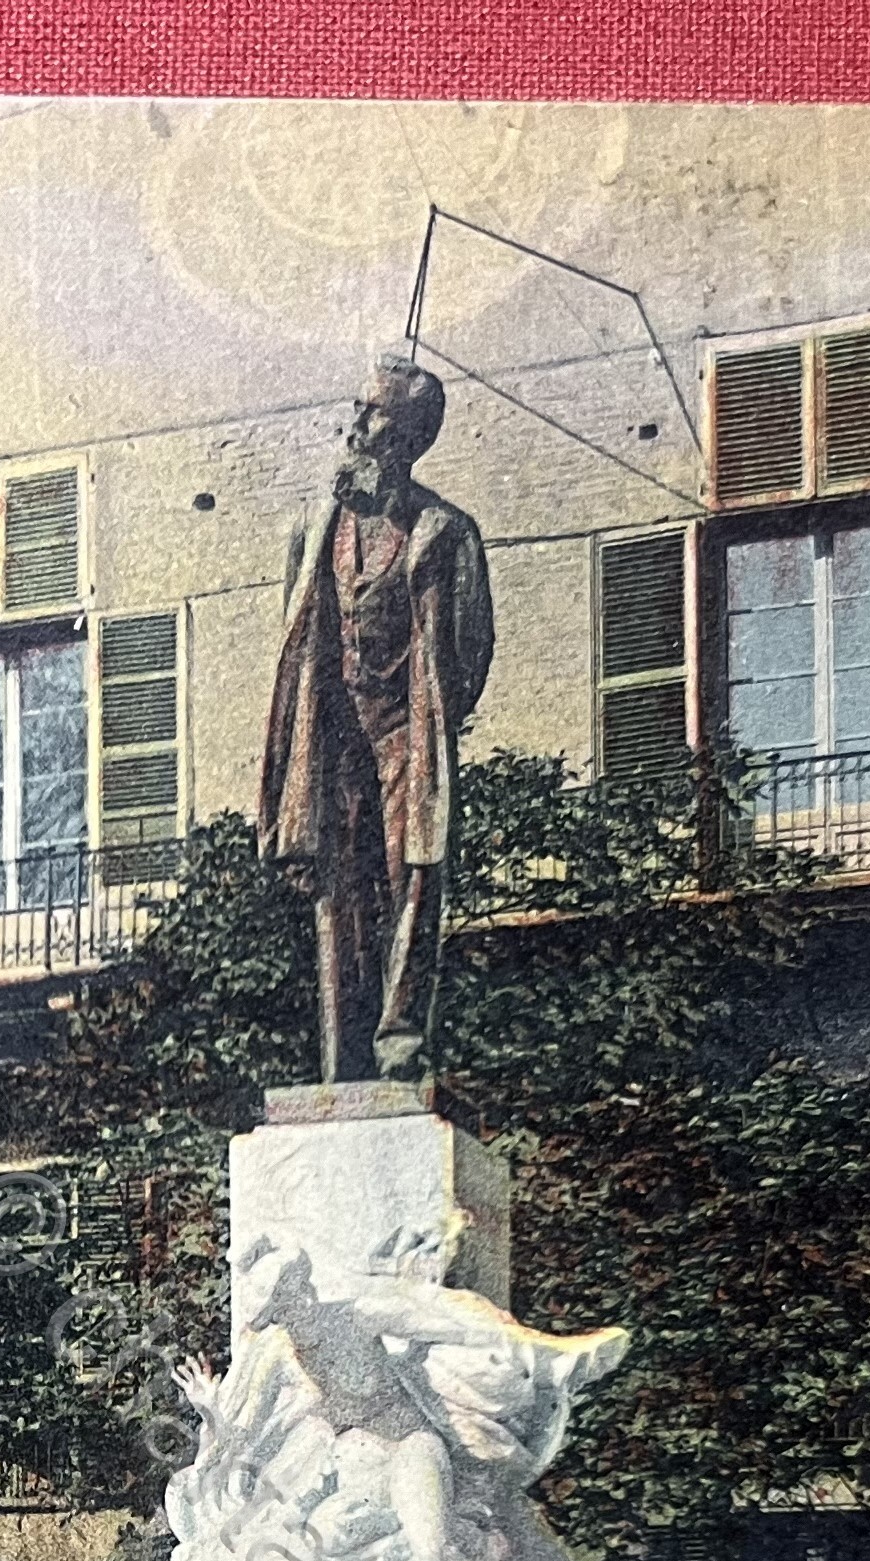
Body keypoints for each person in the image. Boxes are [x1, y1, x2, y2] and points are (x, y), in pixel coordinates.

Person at [258, 355, 494, 1081]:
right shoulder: (314, 527)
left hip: (405, 735)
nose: (356, 425)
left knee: (408, 881)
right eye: (357, 408)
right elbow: (299, 636)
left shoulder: (446, 533)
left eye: (375, 413)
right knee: (340, 891)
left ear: (411, 436)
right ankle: (345, 1057)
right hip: (333, 738)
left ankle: (400, 1042)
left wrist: (424, 718)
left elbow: (471, 650)